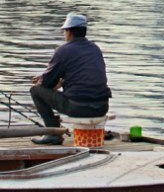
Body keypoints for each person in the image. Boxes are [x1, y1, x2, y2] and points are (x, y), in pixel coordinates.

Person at [30, 12, 111, 145]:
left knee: (36, 90)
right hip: (102, 106)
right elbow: (83, 76)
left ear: (69, 31)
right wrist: (61, 82)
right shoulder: (95, 49)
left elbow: (47, 82)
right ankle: (54, 132)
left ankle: (53, 134)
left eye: (65, 31)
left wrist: (42, 80)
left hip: (79, 108)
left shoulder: (63, 50)